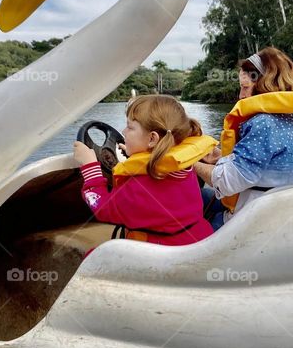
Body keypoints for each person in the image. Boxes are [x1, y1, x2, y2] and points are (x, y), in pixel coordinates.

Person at [193, 47, 293, 230]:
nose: (240, 96)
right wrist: (218, 156)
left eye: (245, 88)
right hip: (282, 211)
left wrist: (192, 163)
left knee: (188, 203)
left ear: (265, 83)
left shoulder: (264, 123)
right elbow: (265, 166)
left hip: (254, 222)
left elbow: (227, 182)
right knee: (202, 198)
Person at [72, 95, 217, 246]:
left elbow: (102, 209)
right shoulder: (182, 166)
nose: (124, 131)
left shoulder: (138, 188)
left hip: (158, 253)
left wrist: (90, 167)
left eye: (130, 127)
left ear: (152, 139)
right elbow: (154, 163)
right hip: (197, 240)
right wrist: (135, 156)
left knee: (93, 257)